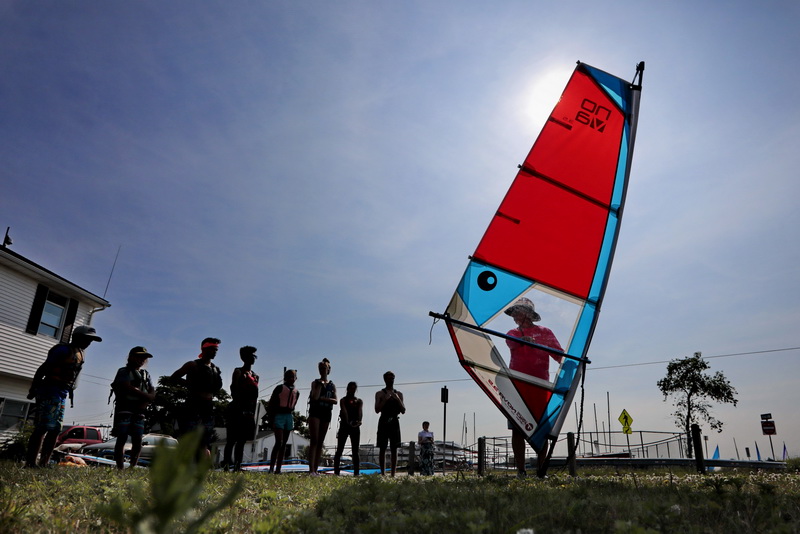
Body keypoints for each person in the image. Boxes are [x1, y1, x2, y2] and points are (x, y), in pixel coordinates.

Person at [25, 325, 102, 467]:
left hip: (61, 393)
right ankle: (30, 463)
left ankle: (44, 463)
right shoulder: (62, 350)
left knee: (55, 429)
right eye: (87, 339)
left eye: (91, 340)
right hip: (49, 390)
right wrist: (33, 388)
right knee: (43, 427)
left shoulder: (79, 353)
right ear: (77, 337)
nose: (89, 343)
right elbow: (43, 369)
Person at [504, 297, 563, 478]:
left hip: (540, 386)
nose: (514, 316)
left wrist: (571, 367)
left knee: (542, 428)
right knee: (517, 428)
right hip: (517, 386)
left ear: (527, 314)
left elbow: (559, 355)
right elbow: (511, 342)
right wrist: (524, 339)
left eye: (517, 312)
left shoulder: (545, 332)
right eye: (513, 312)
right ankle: (521, 470)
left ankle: (541, 470)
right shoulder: (513, 333)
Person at [170, 337, 223, 460]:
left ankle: (200, 467)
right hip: (193, 404)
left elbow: (216, 387)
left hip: (208, 406)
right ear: (204, 349)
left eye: (216, 350)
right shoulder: (193, 364)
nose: (214, 352)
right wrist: (190, 385)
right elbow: (173, 378)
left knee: (205, 438)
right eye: (212, 349)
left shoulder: (215, 368)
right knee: (189, 436)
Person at [110, 346, 156, 469]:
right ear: (131, 357)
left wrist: (148, 398)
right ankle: (120, 467)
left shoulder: (146, 374)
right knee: (122, 437)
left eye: (144, 358)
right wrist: (146, 396)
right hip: (125, 408)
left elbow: (152, 390)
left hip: (140, 410)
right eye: (139, 357)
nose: (142, 360)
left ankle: (132, 466)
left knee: (137, 439)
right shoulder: (123, 371)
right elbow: (126, 387)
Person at [222, 346, 259, 471]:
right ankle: (227, 464)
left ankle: (238, 465)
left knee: (242, 440)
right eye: (250, 355)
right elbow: (234, 390)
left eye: (253, 356)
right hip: (237, 409)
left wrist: (252, 412)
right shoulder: (238, 371)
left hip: (249, 411)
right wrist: (240, 407)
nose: (252, 358)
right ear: (243, 357)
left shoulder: (255, 376)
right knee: (231, 439)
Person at [307, 358, 337, 475]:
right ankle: (311, 470)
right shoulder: (315, 383)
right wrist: (320, 385)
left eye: (324, 368)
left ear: (328, 370)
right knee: (314, 440)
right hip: (315, 411)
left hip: (326, 412)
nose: (322, 370)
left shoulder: (332, 385)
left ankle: (316, 468)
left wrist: (323, 399)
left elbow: (335, 400)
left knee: (320, 441)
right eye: (320, 368)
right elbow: (315, 397)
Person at [266, 368, 299, 474]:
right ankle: (271, 467)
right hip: (279, 415)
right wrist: (271, 418)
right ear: (285, 378)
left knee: (284, 444)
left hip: (288, 416)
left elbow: (294, 404)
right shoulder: (279, 388)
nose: (291, 379)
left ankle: (278, 469)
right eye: (288, 376)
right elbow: (271, 403)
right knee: (279, 442)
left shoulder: (296, 392)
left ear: (295, 378)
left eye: (292, 377)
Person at [375, 370, 405, 476]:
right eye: (388, 378)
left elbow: (403, 410)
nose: (390, 380)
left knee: (394, 448)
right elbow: (377, 409)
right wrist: (385, 400)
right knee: (382, 448)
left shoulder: (399, 394)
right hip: (383, 420)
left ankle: (393, 474)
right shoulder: (380, 393)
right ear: (384, 379)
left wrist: (397, 399)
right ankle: (383, 473)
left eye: (392, 378)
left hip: (394, 421)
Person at [333, 381, 362, 476]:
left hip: (355, 426)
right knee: (340, 449)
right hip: (345, 426)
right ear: (348, 389)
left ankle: (356, 473)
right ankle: (336, 472)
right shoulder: (343, 400)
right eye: (351, 388)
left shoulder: (358, 401)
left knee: (355, 450)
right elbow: (344, 412)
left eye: (354, 388)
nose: (352, 390)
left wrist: (358, 422)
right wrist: (348, 422)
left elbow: (360, 413)